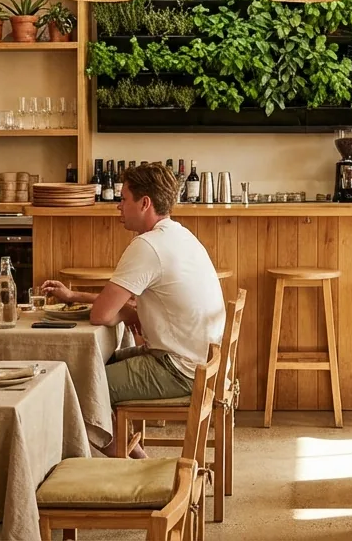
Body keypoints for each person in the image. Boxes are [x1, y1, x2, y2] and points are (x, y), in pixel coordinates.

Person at [42, 163, 224, 457]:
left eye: (124, 199)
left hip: (178, 368)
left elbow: (101, 315)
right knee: (90, 370)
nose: (118, 206)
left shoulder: (148, 245)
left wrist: (126, 312)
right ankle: (135, 458)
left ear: (145, 203)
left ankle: (119, 470)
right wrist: (76, 294)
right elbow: (124, 307)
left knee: (75, 386)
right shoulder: (180, 235)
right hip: (198, 363)